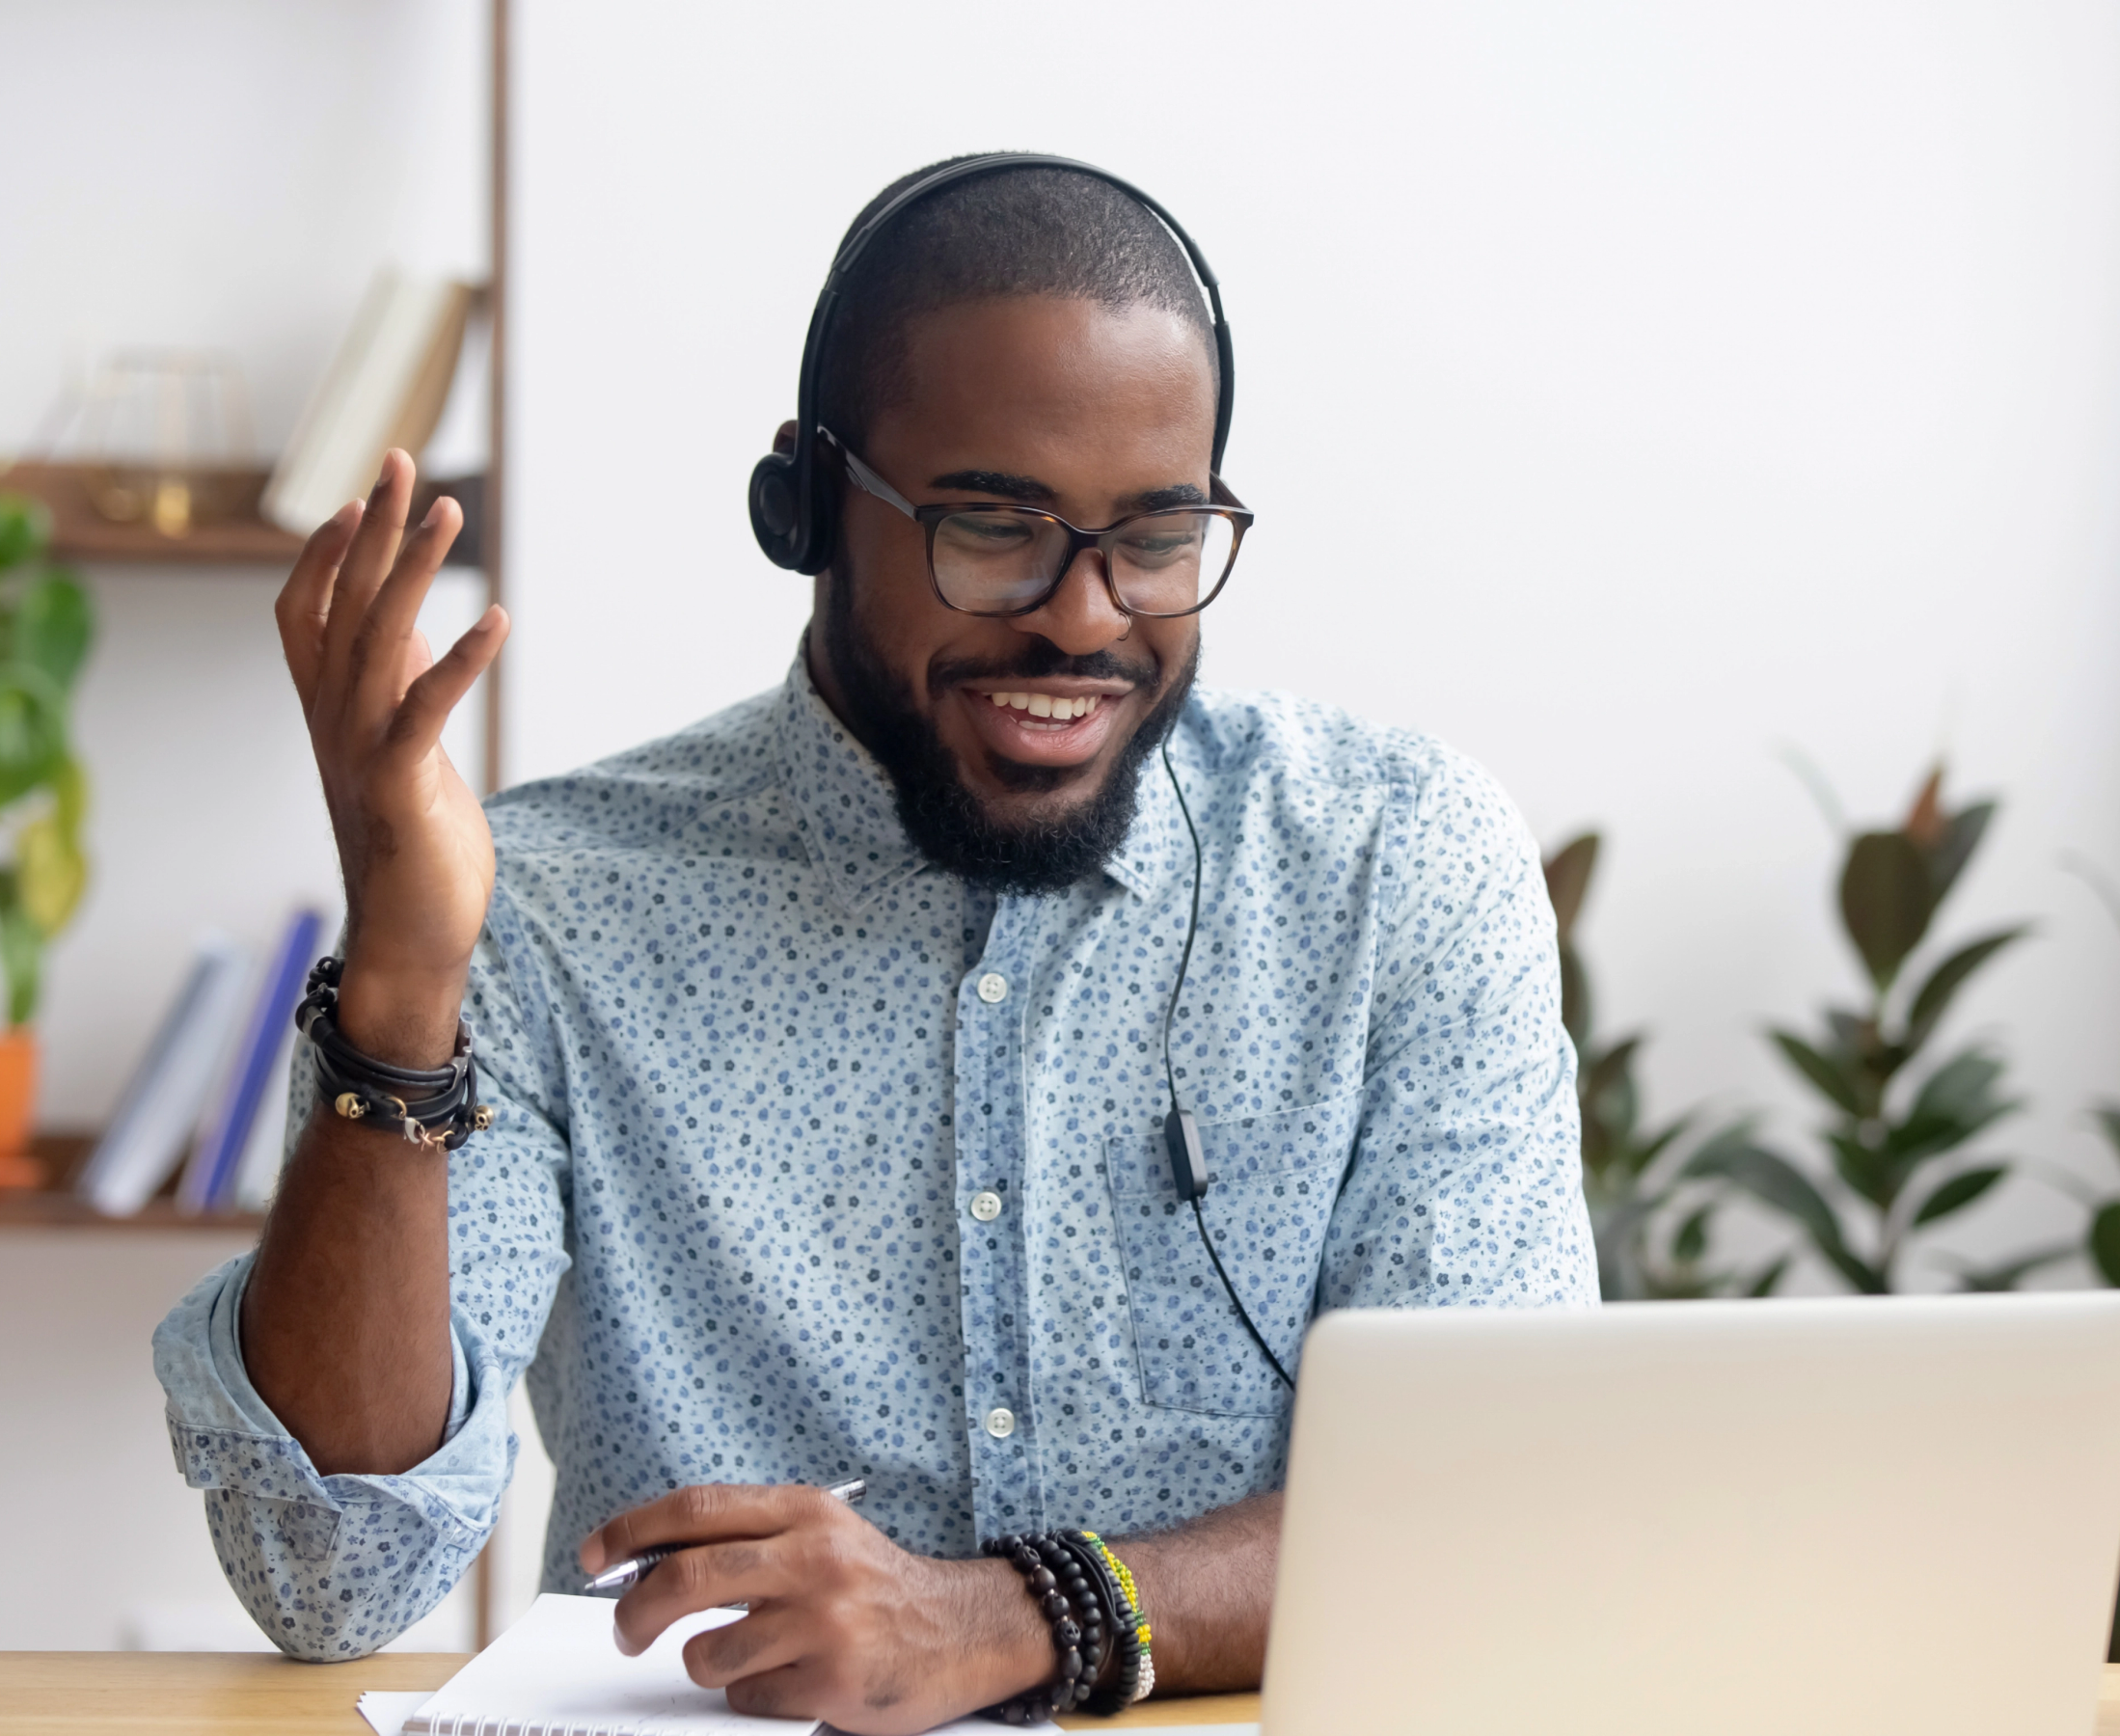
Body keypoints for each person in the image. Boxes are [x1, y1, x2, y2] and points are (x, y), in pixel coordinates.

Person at [153, 157, 1595, 1733]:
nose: (1088, 620)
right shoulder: (543, 908)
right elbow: (324, 1575)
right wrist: (406, 980)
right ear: (808, 508)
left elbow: (1488, 1511)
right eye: (995, 528)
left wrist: (1009, 1618)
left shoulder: (1394, 867)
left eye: (1160, 537)